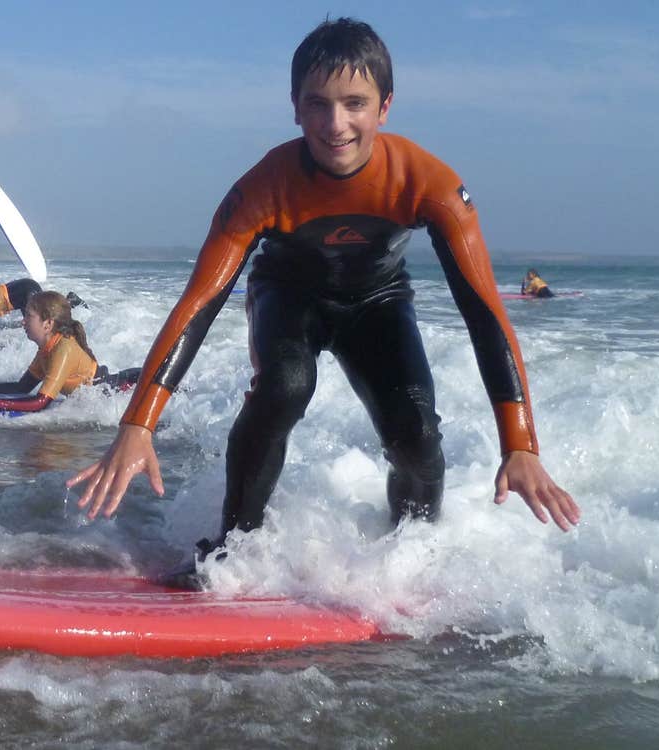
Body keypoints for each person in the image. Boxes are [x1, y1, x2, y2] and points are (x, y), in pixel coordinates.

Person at [67, 17, 579, 588]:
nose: (336, 124)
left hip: (379, 302)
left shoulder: (428, 183)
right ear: (295, 108)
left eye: (354, 103)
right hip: (288, 296)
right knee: (285, 385)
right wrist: (138, 425)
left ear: (384, 107)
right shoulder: (264, 186)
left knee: (416, 434)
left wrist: (520, 445)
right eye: (318, 105)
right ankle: (231, 551)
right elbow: (200, 302)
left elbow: (484, 312)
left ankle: (413, 558)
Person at [0, 291, 102, 417]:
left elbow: (41, 402)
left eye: (29, 316)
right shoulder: (47, 348)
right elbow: (21, 388)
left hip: (116, 391)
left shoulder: (64, 349)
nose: (23, 321)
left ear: (47, 324)